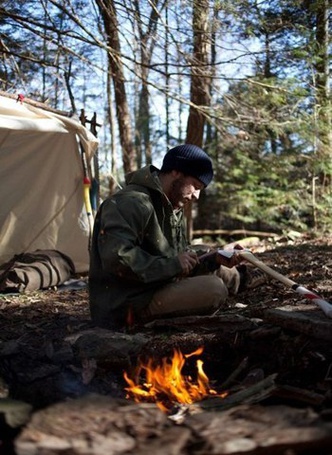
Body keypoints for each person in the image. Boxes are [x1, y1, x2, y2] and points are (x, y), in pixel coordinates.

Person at [89, 144, 265, 330]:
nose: (197, 195)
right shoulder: (130, 202)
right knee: (214, 289)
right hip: (128, 303)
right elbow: (117, 259)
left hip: (156, 284)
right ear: (176, 172)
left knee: (204, 251)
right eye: (195, 186)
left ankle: (242, 279)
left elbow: (178, 257)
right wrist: (174, 264)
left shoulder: (172, 204)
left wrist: (213, 259)